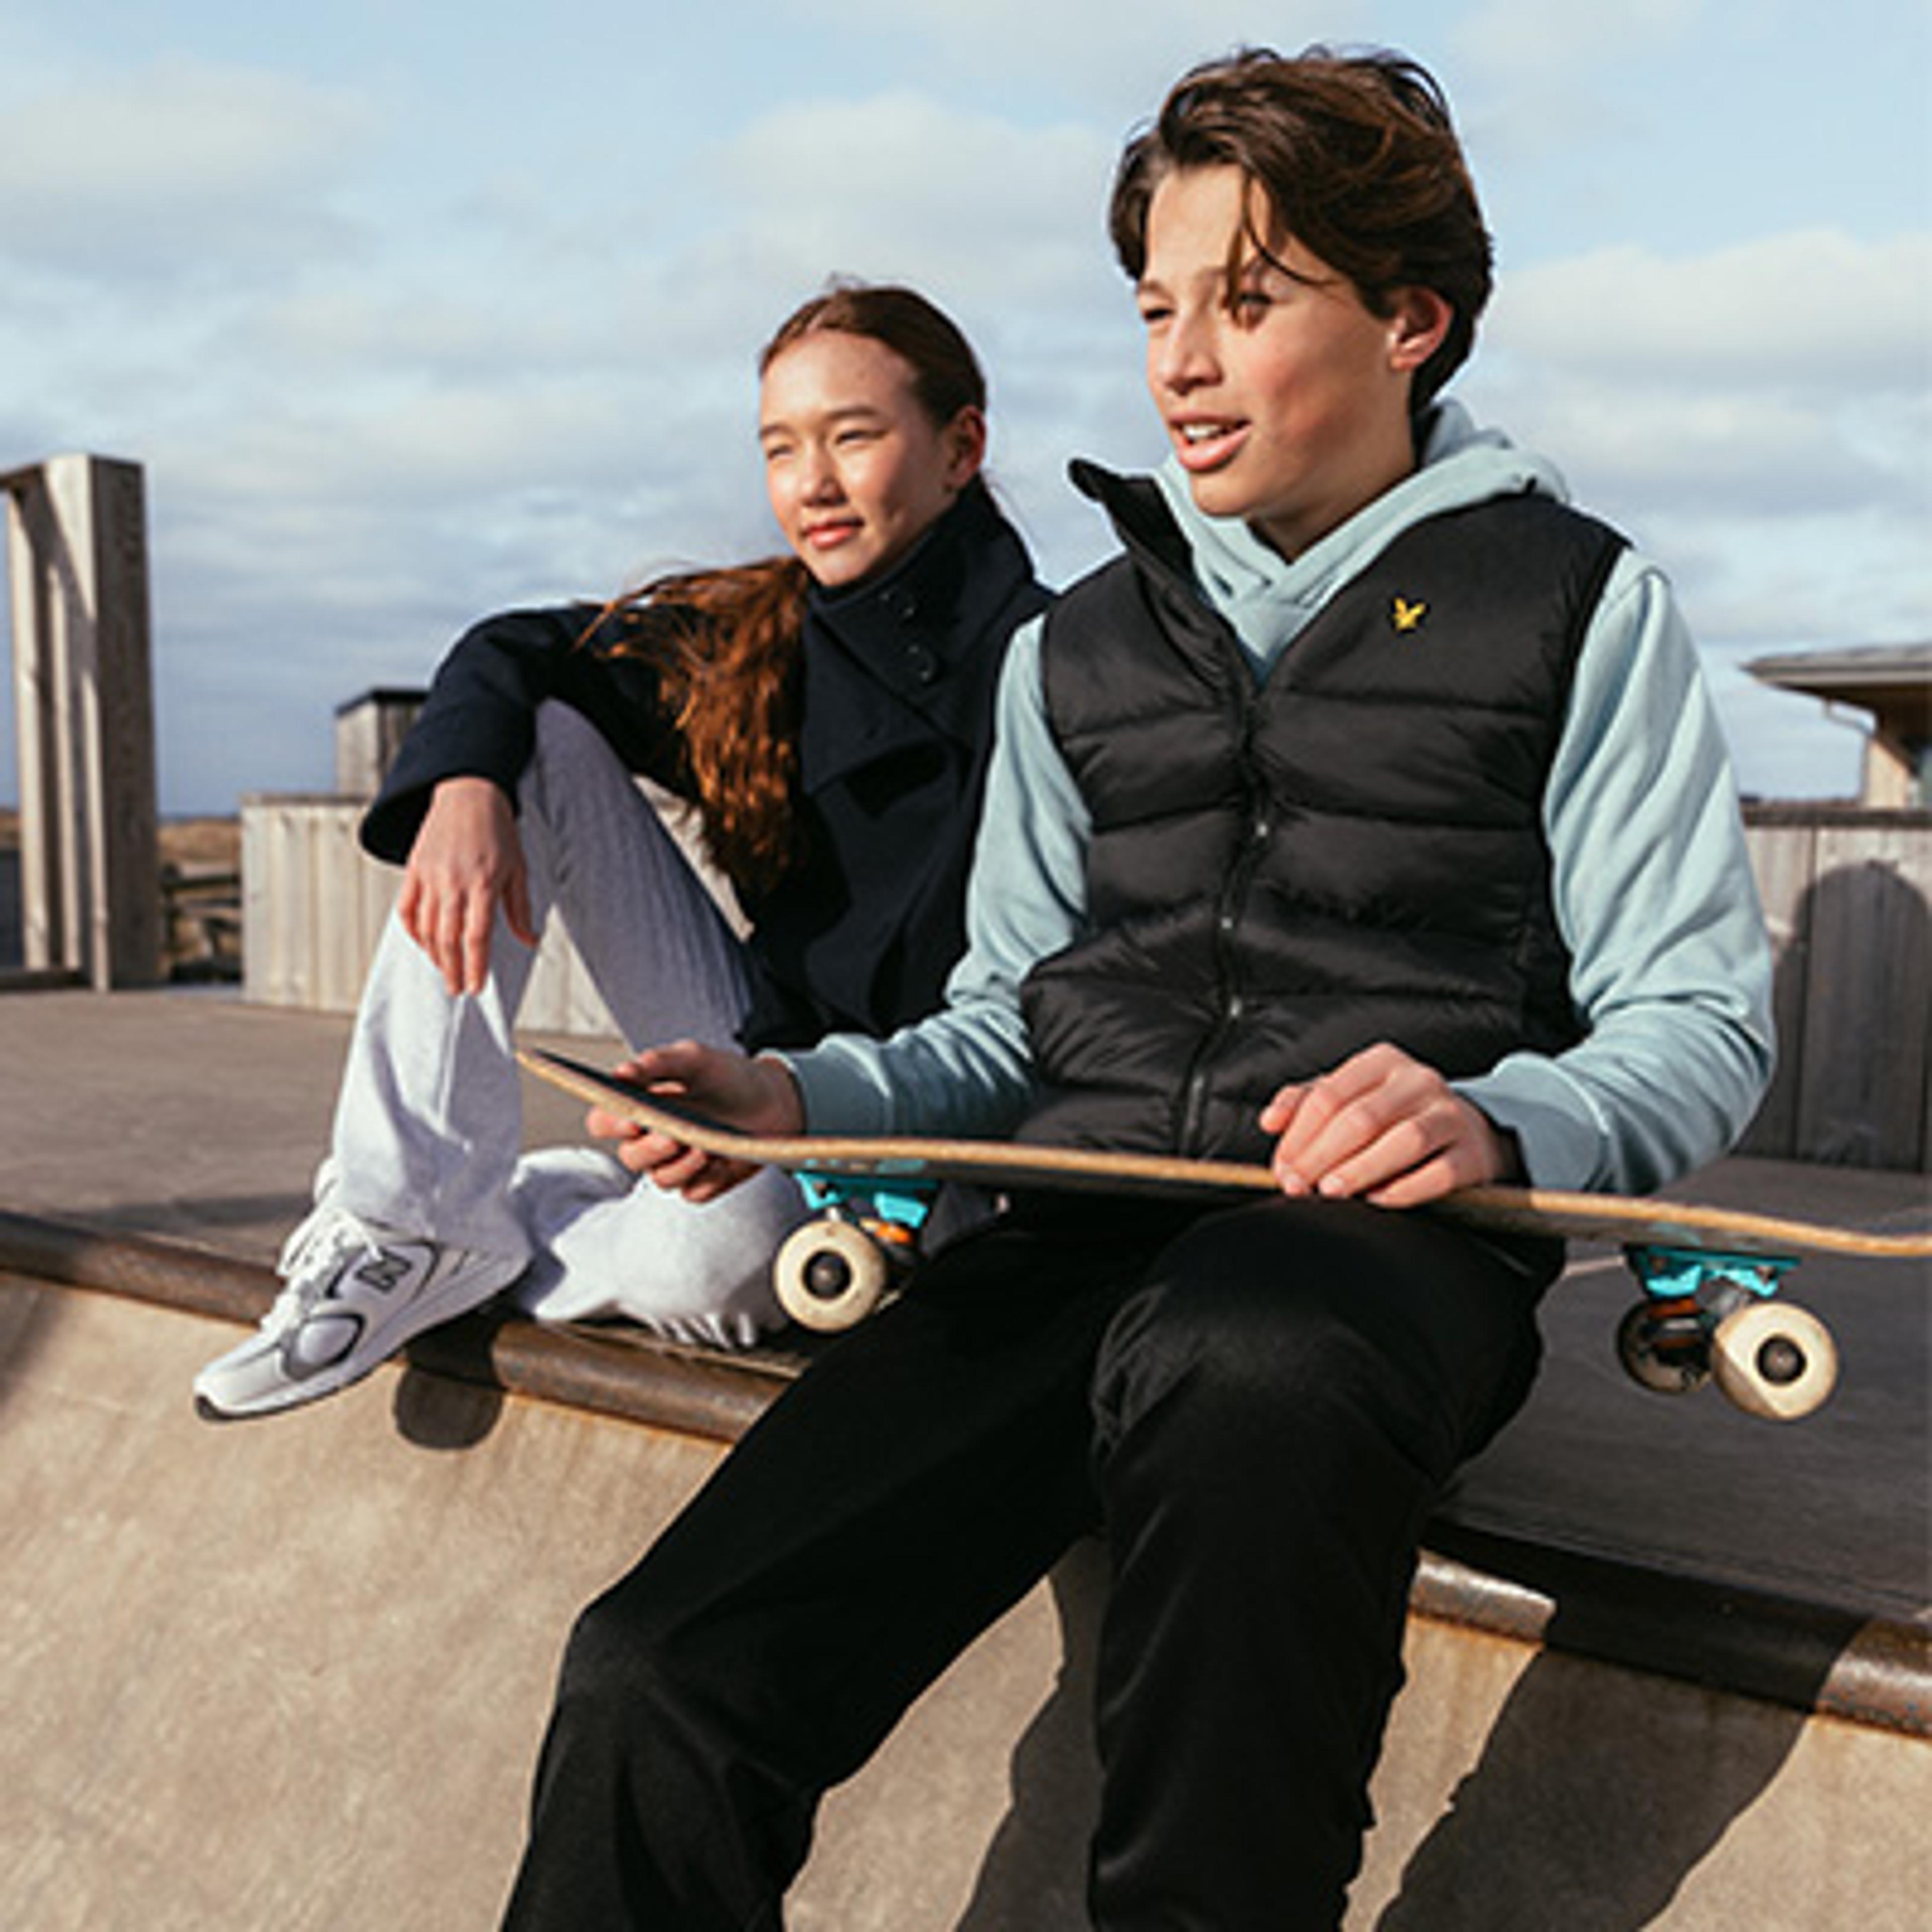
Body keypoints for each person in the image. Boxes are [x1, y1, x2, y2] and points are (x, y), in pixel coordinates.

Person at [500, 47, 1775, 1928]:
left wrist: (1498, 1115)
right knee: (658, 1674)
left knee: (1237, 1358)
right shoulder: (1081, 648)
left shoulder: (1574, 606)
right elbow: (1014, 1017)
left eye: (1247, 304)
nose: (1179, 359)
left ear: (1412, 320)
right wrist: (803, 1096)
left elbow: (1700, 1018)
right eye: (1158, 305)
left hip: (1362, 1263)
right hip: (1069, 1234)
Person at [192, 282, 1051, 1421]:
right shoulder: (755, 640)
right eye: (780, 448)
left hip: (943, 1130)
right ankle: (405, 1221)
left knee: (710, 1281)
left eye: (854, 437)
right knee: (535, 736)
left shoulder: (1064, 661)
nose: (812, 485)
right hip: (758, 1062)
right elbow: (516, 645)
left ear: (961, 446)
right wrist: (463, 787)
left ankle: (512, 1220)